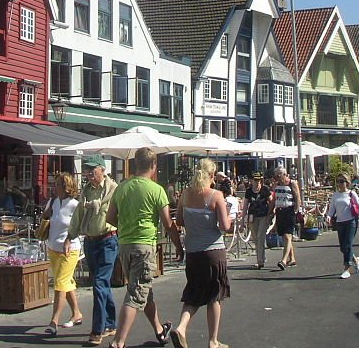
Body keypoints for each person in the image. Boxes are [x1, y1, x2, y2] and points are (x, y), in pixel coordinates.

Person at [105, 147, 183, 348]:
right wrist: (179, 246)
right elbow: (168, 224)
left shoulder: (122, 187)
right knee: (136, 293)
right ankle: (118, 342)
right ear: (153, 165)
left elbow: (110, 217)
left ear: (135, 163)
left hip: (125, 245)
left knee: (144, 290)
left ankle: (159, 329)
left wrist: (125, 226)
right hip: (144, 245)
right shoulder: (156, 190)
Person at [170, 158, 231, 348]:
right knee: (215, 295)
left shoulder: (186, 194)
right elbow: (224, 225)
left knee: (194, 292)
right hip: (213, 250)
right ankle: (213, 340)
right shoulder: (216, 195)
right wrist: (229, 216)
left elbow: (179, 220)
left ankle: (181, 327)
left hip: (193, 252)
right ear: (212, 176)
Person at [65, 155, 119, 347]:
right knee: (102, 284)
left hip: (108, 240)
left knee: (99, 283)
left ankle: (98, 329)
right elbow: (79, 213)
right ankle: (112, 323)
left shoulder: (113, 189)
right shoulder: (86, 190)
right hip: (90, 241)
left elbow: (121, 212)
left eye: (92, 169)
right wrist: (70, 236)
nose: (88, 173)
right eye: (87, 169)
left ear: (102, 170)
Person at [44, 172, 84, 336]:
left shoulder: (75, 204)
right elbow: (46, 218)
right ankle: (77, 313)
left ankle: (54, 321)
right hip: (53, 247)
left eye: (58, 184)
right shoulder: (53, 202)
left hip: (70, 249)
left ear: (67, 188)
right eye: (55, 184)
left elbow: (80, 226)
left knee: (60, 283)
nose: (55, 187)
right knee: (65, 282)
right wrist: (45, 216)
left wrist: (69, 238)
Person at [326, 173, 359, 279]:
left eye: (341, 181)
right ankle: (355, 259)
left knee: (348, 244)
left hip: (351, 221)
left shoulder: (351, 194)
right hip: (340, 222)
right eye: (338, 181)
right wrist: (329, 217)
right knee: (343, 247)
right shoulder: (335, 195)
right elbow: (331, 209)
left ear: (347, 183)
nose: (339, 183)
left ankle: (346, 268)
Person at [269, 167, 301, 270]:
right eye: (276, 176)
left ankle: (283, 260)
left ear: (284, 174)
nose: (277, 178)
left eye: (279, 176)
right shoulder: (276, 185)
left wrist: (295, 211)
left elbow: (297, 198)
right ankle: (292, 259)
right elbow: (274, 199)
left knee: (287, 236)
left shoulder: (292, 183)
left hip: (289, 210)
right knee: (284, 236)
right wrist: (270, 211)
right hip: (280, 211)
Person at [241, 172, 271, 269]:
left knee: (260, 237)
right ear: (252, 181)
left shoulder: (265, 189)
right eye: (256, 180)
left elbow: (271, 201)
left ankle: (260, 261)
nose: (257, 182)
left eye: (259, 180)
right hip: (252, 216)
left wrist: (270, 214)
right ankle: (262, 256)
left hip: (263, 216)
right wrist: (243, 220)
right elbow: (245, 205)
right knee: (255, 239)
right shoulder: (249, 191)